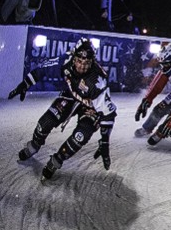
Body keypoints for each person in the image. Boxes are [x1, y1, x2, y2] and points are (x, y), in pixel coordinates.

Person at [9, 38, 117, 180]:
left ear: (92, 62)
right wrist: (24, 85)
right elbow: (42, 70)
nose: (82, 67)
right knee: (45, 123)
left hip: (91, 107)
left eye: (87, 63)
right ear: (73, 57)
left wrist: (104, 141)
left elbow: (109, 114)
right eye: (79, 61)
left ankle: (57, 160)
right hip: (71, 96)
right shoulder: (65, 60)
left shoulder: (97, 81)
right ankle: (34, 145)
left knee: (80, 136)